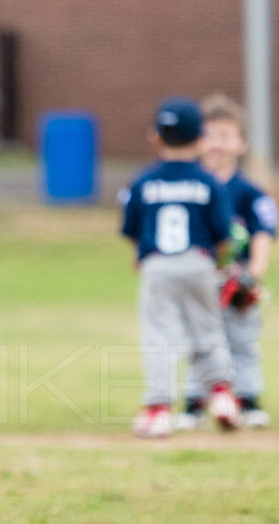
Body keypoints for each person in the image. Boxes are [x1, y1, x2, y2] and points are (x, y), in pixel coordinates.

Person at [121, 96, 239, 438]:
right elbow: (223, 233)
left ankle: (159, 409)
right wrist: (221, 262)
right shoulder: (208, 182)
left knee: (160, 335)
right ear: (201, 139)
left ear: (155, 137)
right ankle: (222, 395)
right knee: (208, 329)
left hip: (157, 264)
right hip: (198, 262)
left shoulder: (143, 181)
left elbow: (131, 227)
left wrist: (138, 255)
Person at [175, 94, 276, 430]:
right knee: (196, 342)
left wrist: (254, 274)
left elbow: (263, 232)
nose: (216, 144)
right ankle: (195, 402)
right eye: (210, 135)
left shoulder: (249, 192)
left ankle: (247, 400)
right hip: (198, 278)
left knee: (242, 341)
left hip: (235, 281)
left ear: (242, 143)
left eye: (225, 135)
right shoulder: (190, 188)